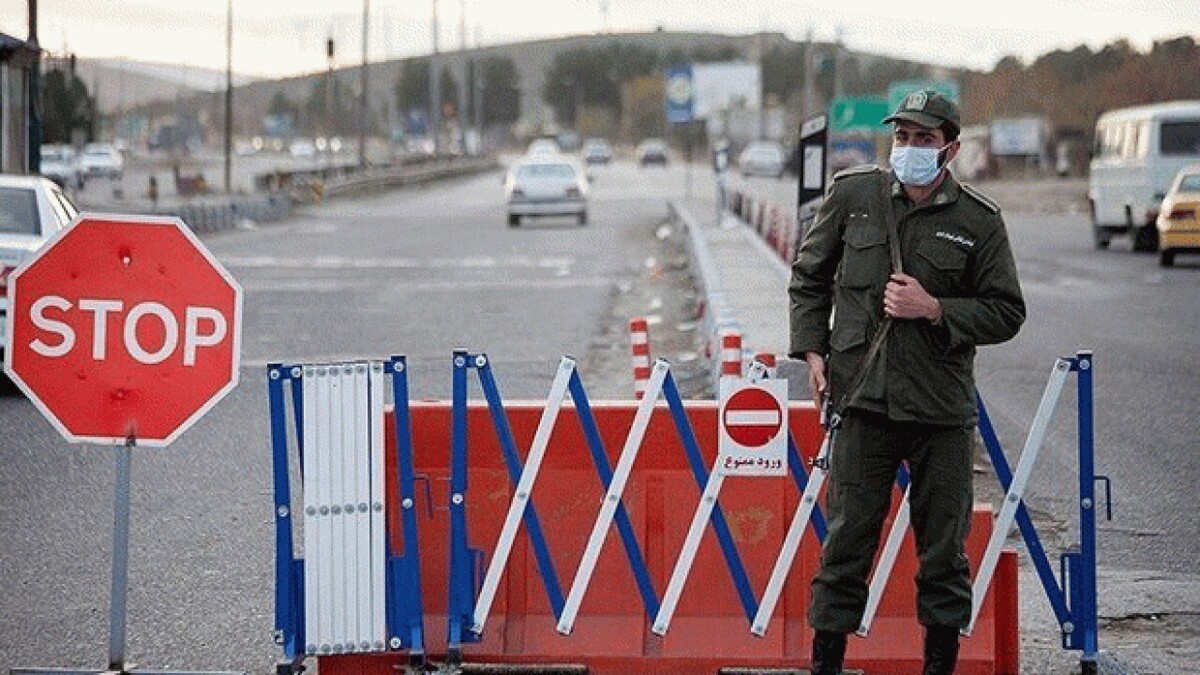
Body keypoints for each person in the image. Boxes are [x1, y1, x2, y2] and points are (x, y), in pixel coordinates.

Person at [787, 90, 1026, 675]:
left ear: (950, 147)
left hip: (940, 412)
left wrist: (936, 308)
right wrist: (813, 353)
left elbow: (1006, 312)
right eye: (902, 137)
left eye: (923, 139)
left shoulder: (978, 221)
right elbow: (809, 278)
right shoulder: (854, 195)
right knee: (845, 546)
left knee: (944, 557)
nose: (910, 148)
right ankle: (826, 666)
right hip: (863, 403)